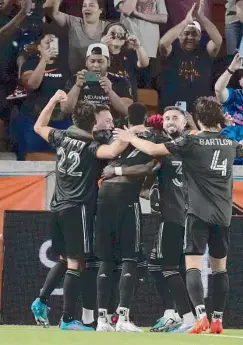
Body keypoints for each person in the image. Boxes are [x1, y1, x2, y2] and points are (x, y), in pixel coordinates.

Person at [113, 96, 243, 334]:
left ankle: (200, 317)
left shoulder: (191, 141)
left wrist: (130, 137)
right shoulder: (229, 142)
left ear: (195, 119)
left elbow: (154, 149)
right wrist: (231, 131)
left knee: (192, 267)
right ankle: (218, 319)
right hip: (223, 216)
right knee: (220, 269)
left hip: (197, 214)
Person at [33, 90, 129, 330]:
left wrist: (53, 100)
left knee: (66, 259)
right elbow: (112, 151)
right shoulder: (90, 146)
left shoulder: (62, 137)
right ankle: (67, 320)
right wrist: (130, 135)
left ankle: (41, 300)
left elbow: (38, 126)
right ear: (93, 124)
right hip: (78, 208)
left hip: (57, 206)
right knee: (77, 263)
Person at [94, 103, 157, 332]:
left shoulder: (114, 137)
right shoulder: (151, 137)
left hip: (103, 197)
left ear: (126, 120)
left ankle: (102, 320)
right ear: (147, 118)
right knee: (130, 257)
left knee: (106, 260)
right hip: (126, 199)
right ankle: (122, 318)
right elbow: (150, 166)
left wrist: (115, 169)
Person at [148, 106, 196, 333]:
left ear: (185, 122)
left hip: (179, 216)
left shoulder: (190, 145)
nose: (169, 121)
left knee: (166, 267)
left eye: (174, 118)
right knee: (168, 266)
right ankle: (176, 313)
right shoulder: (161, 148)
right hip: (172, 215)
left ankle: (184, 316)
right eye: (166, 118)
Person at [11, 28, 71, 160]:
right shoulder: (30, 64)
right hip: (33, 117)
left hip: (59, 120)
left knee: (63, 156)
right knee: (30, 155)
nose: (51, 46)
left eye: (54, 42)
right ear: (39, 47)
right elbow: (32, 85)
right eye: (47, 43)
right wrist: (44, 60)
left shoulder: (66, 66)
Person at [159, 1, 222, 113]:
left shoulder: (205, 50)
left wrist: (203, 18)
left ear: (199, 37)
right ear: (179, 35)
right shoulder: (172, 49)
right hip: (173, 106)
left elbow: (218, 41)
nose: (190, 37)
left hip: (200, 108)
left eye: (194, 34)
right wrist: (185, 22)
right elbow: (163, 43)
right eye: (186, 33)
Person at [61, 43, 133, 122]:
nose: (96, 65)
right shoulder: (75, 79)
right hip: (82, 125)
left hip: (111, 125)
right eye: (92, 61)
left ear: (108, 62)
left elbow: (127, 111)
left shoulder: (120, 81)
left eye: (100, 61)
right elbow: (65, 109)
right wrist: (77, 86)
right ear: (86, 62)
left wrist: (110, 91)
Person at [44, 0, 109, 74]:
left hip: (101, 79)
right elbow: (52, 13)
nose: (86, 8)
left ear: (100, 10)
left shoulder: (108, 27)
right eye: (84, 6)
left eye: (91, 5)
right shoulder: (73, 22)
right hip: (75, 78)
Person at [101, 22, 149, 101]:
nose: (116, 35)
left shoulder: (130, 54)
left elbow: (144, 64)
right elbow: (91, 74)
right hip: (105, 98)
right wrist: (102, 45)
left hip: (128, 99)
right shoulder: (100, 54)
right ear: (105, 36)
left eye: (120, 33)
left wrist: (138, 46)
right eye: (112, 32)